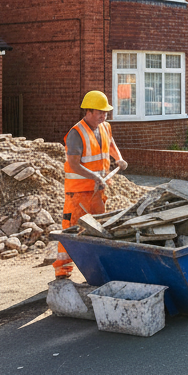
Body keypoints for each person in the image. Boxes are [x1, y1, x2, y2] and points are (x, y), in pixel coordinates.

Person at [55, 90, 126, 279]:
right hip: (78, 193)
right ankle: (63, 270)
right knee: (72, 231)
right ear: (88, 112)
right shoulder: (76, 133)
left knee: (99, 228)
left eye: (106, 112)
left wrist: (118, 158)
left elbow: (110, 143)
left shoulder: (105, 127)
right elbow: (73, 164)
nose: (104, 116)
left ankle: (99, 267)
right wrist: (95, 176)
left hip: (97, 191)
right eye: (100, 112)